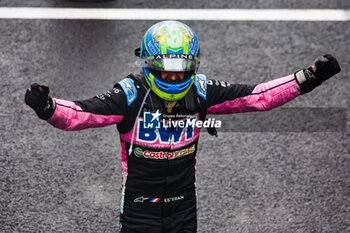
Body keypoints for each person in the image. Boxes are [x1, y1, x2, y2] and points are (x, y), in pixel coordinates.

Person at [25, 20, 341, 233]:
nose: (175, 78)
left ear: (193, 66)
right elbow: (81, 113)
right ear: (148, 65)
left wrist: (308, 78)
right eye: (166, 72)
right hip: (139, 210)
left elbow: (258, 97)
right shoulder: (130, 94)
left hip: (183, 207)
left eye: (182, 71)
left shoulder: (201, 91)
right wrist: (48, 107)